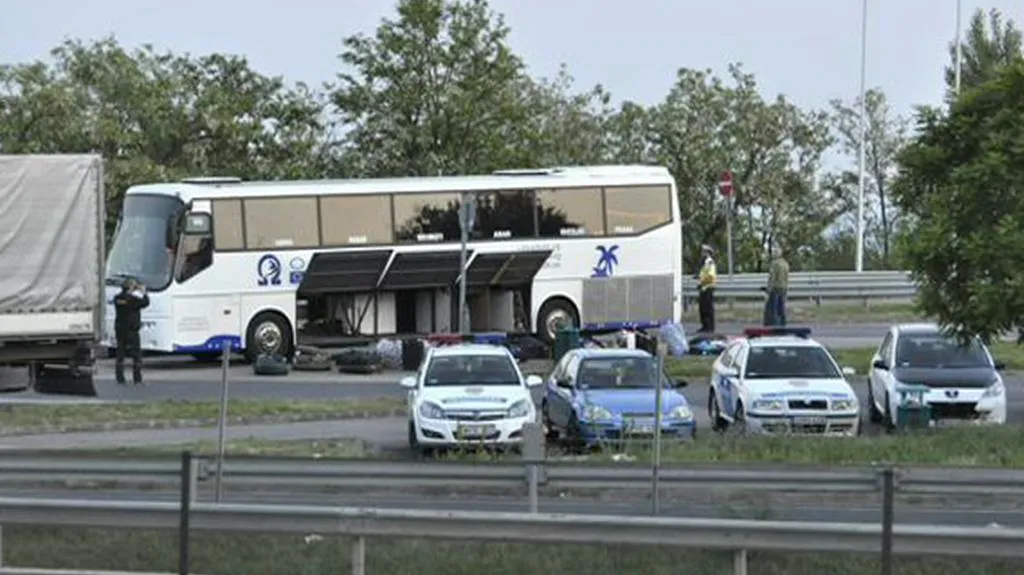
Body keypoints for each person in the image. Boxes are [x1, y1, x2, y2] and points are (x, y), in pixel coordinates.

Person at [114, 278, 150, 385]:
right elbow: (146, 302)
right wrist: (144, 292)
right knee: (136, 356)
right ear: (130, 288)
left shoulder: (117, 298)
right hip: (132, 330)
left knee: (120, 354)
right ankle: (137, 379)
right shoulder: (133, 299)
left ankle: (120, 378)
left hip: (120, 329)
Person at [765, 245, 790, 326]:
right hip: (783, 288)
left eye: (774, 252)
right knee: (781, 308)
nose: (773, 254)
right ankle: (783, 324)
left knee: (773, 309)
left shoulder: (774, 264)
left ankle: (774, 325)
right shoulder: (785, 264)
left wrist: (768, 290)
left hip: (775, 288)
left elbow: (772, 277)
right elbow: (786, 278)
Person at [697, 244, 717, 333]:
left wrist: (702, 282)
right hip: (704, 287)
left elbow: (710, 276)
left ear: (707, 253)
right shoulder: (705, 263)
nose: (702, 253)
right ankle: (705, 326)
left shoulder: (709, 262)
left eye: (703, 252)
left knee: (707, 308)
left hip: (708, 287)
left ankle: (709, 327)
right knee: (703, 308)